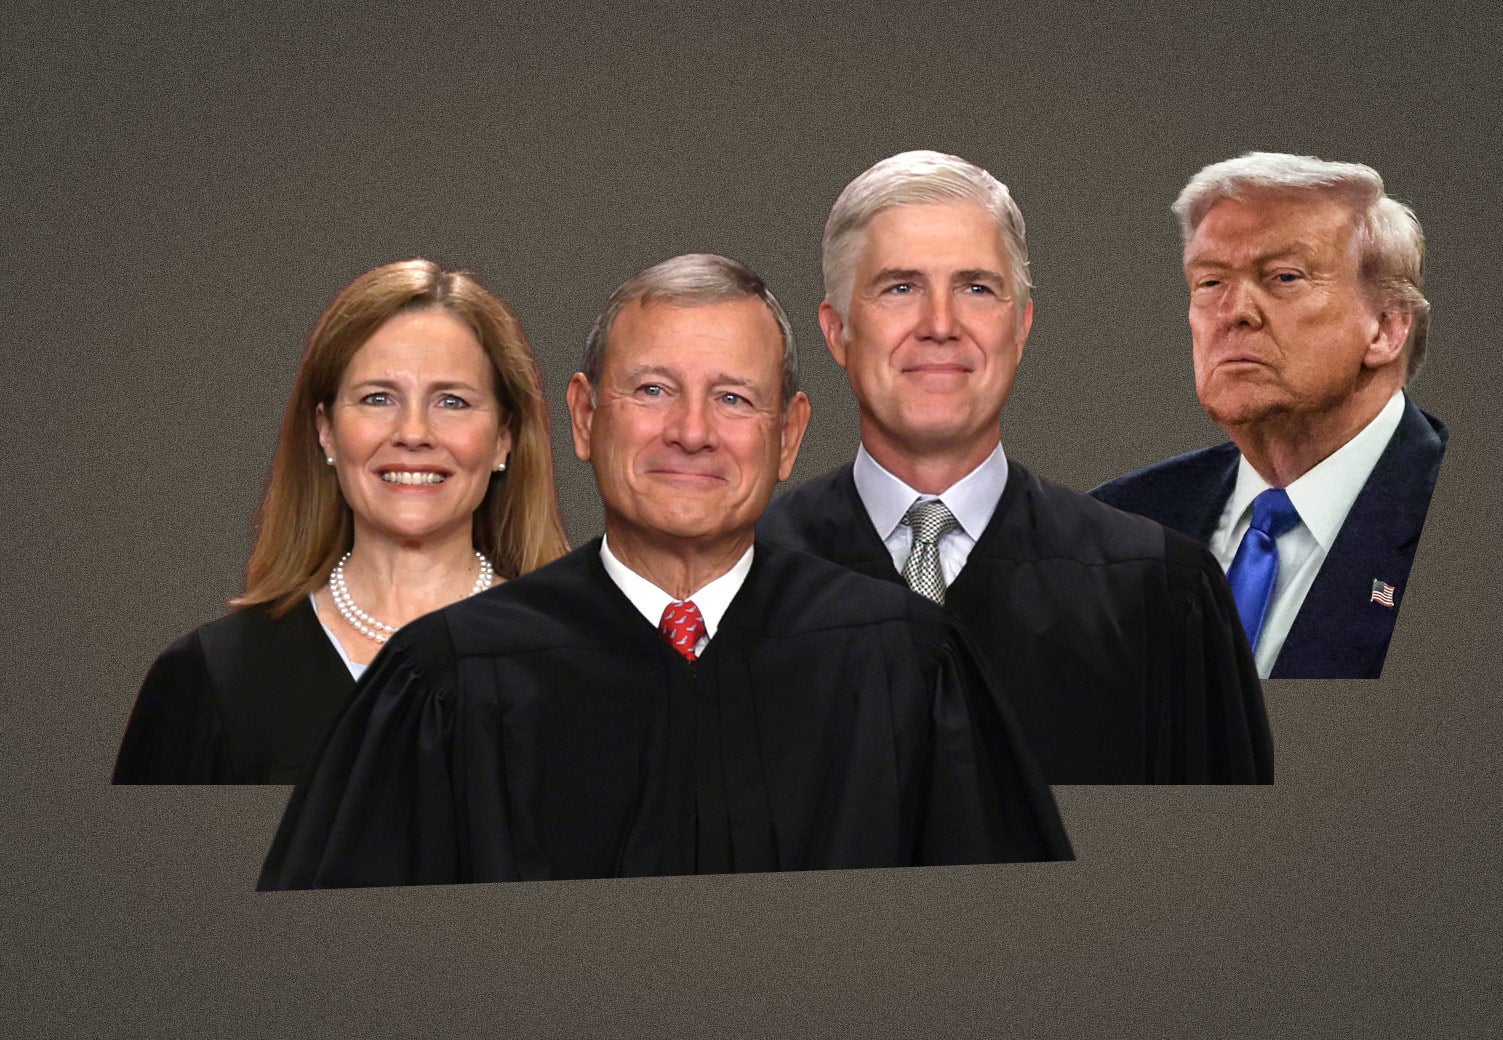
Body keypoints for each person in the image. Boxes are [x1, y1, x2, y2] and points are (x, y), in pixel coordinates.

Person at [259, 253, 1071, 889]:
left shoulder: (910, 663)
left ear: (788, 436)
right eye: (652, 390)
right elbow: (344, 969)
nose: (691, 432)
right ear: (583, 417)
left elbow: (1008, 955)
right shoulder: (445, 677)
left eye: (732, 398)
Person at [759, 150, 1272, 784]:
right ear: (837, 331)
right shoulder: (735, 584)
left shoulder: (1163, 593)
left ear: (1021, 324)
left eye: (976, 288)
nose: (940, 325)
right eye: (900, 288)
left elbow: (1226, 860)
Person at [112, 259, 569, 784]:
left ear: (504, 439)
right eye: (378, 398)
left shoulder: (583, 676)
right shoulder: (212, 677)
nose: (413, 432)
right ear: (326, 430)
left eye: (452, 401)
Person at [1093, 153, 1449, 680]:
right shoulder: (1113, 525)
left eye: (1284, 277)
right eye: (1210, 282)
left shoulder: (1485, 533)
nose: (1234, 311)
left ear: (1385, 329)